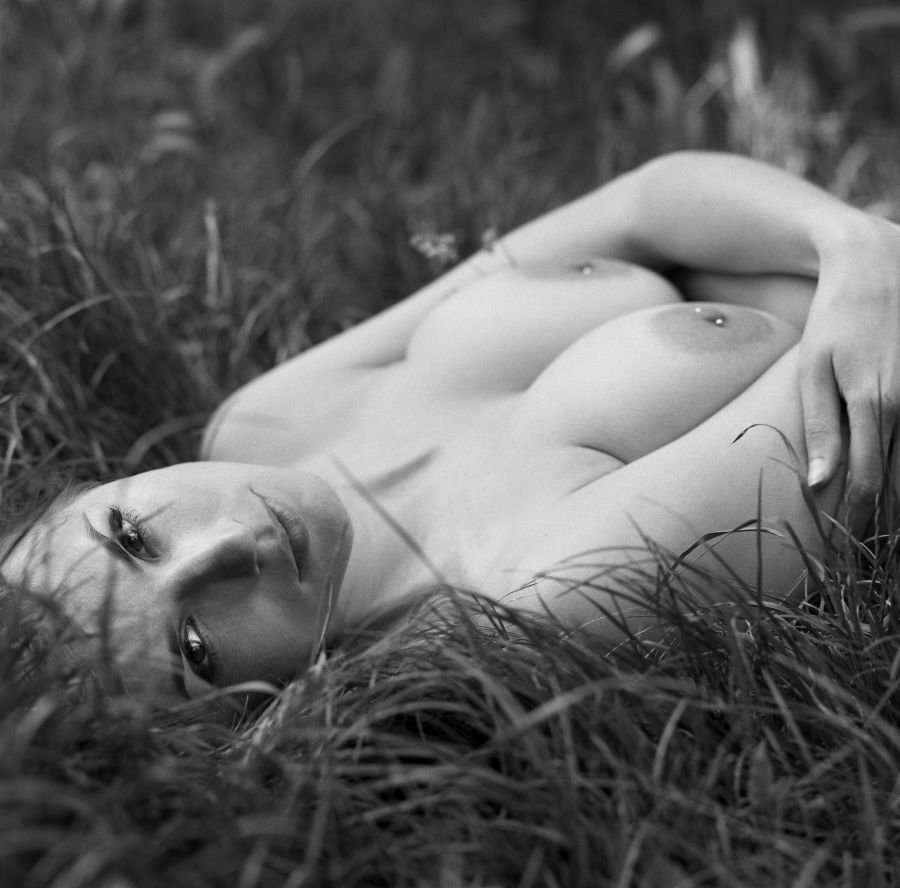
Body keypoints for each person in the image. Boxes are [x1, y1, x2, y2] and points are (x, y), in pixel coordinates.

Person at [4, 151, 900, 706]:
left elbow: (640, 205)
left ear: (95, 488)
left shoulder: (269, 417)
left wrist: (851, 243)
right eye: (196, 648)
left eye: (132, 533)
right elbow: (877, 404)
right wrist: (857, 255)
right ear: (252, 723)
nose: (230, 547)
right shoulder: (539, 596)